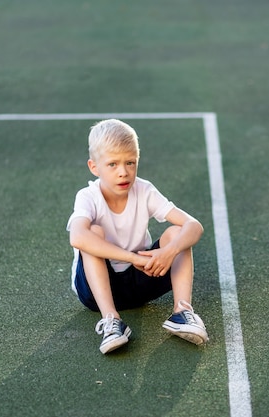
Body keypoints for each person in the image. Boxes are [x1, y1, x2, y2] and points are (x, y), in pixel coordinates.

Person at [67, 119, 209, 354]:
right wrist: (134, 258)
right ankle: (112, 321)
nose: (123, 172)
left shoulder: (144, 190)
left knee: (177, 233)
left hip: (142, 279)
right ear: (94, 167)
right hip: (96, 289)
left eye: (130, 163)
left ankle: (182, 312)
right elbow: (78, 237)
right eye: (112, 164)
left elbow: (194, 225)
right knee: (93, 232)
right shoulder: (88, 196)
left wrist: (167, 252)